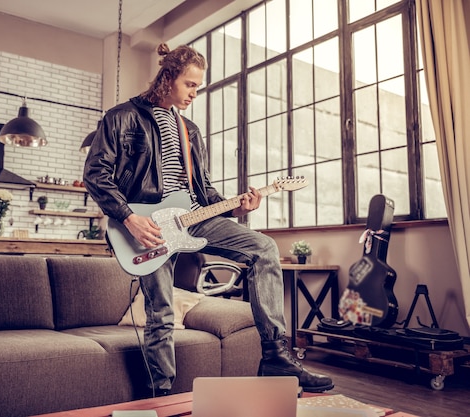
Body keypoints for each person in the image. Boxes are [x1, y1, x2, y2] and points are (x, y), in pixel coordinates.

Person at [83, 43, 333, 396]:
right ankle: (161, 394)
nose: (194, 93)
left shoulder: (190, 130)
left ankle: (276, 356)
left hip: (192, 219)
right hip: (146, 227)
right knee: (162, 313)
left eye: (198, 87)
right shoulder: (122, 117)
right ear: (167, 78)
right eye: (190, 85)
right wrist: (128, 217)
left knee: (263, 247)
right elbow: (96, 173)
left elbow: (203, 191)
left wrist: (236, 208)